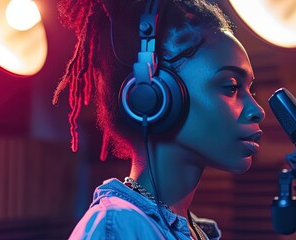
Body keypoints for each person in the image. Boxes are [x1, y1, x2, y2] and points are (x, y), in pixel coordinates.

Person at [53, 0, 265, 239]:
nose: (257, 110)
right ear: (154, 97)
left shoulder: (191, 230)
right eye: (231, 86)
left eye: (251, 90)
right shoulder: (117, 229)